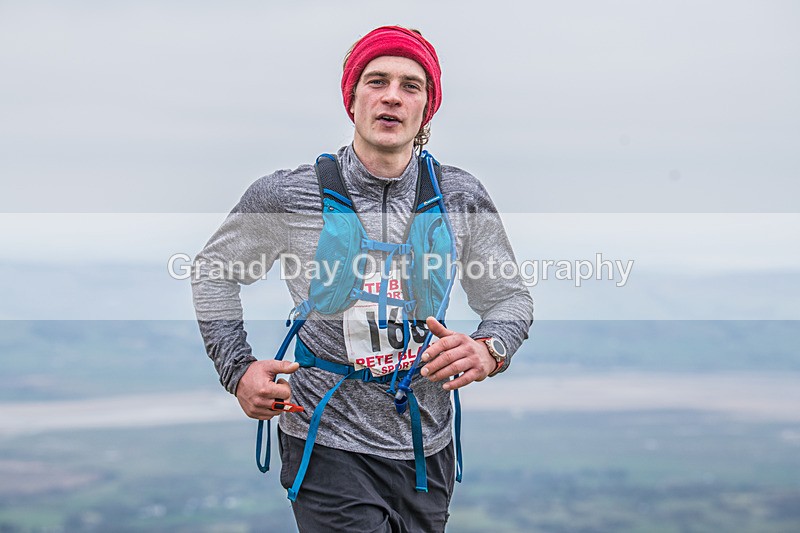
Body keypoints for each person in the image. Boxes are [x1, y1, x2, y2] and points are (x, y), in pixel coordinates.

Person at [192, 25, 533, 533]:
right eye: (376, 81)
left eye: (410, 85)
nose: (392, 96)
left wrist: (490, 349)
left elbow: (508, 297)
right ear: (352, 100)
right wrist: (236, 369)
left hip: (425, 443)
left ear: (427, 109)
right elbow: (213, 271)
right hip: (324, 434)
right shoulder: (288, 195)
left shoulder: (461, 197)